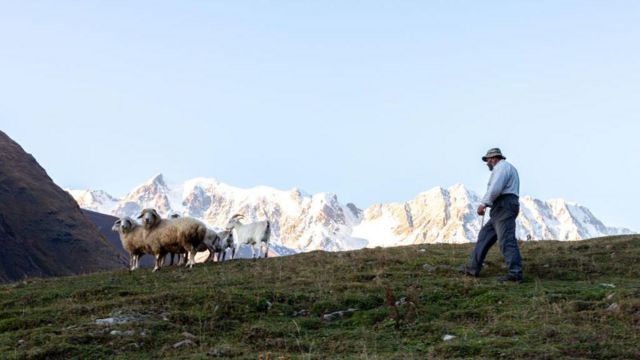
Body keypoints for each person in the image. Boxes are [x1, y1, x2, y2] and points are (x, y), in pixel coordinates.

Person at [461, 148, 523, 283]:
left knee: (506, 239)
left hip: (503, 205)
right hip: (502, 206)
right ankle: (473, 268)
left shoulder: (501, 168)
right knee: (484, 236)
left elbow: (496, 187)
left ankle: (515, 273)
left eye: (488, 160)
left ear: (494, 158)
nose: (487, 163)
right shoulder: (507, 168)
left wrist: (484, 203)